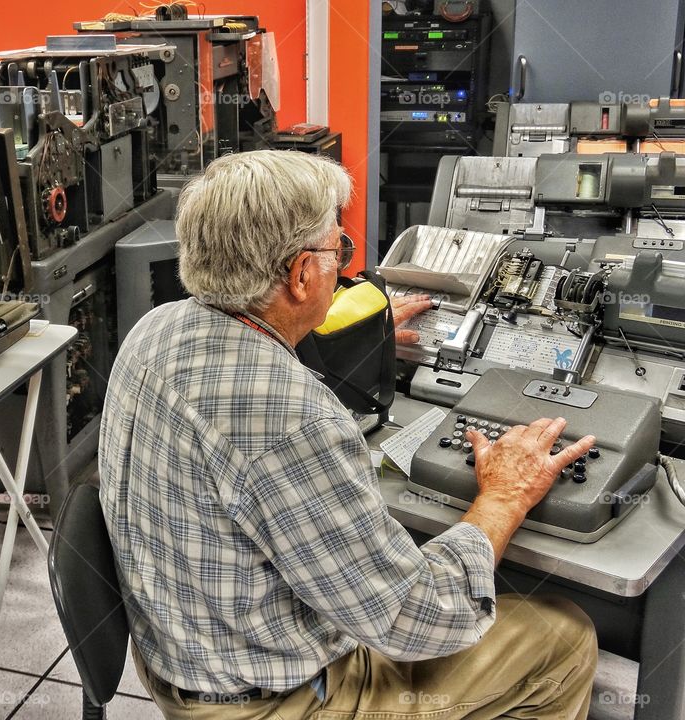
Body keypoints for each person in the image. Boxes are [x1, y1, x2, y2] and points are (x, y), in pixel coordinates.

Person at [98, 150, 598, 720]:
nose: (344, 266)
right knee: (564, 636)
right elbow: (418, 617)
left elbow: (248, 353)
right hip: (278, 702)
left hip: (183, 661)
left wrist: (367, 329)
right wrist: (503, 497)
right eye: (340, 252)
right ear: (301, 274)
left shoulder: (157, 327)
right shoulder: (296, 422)